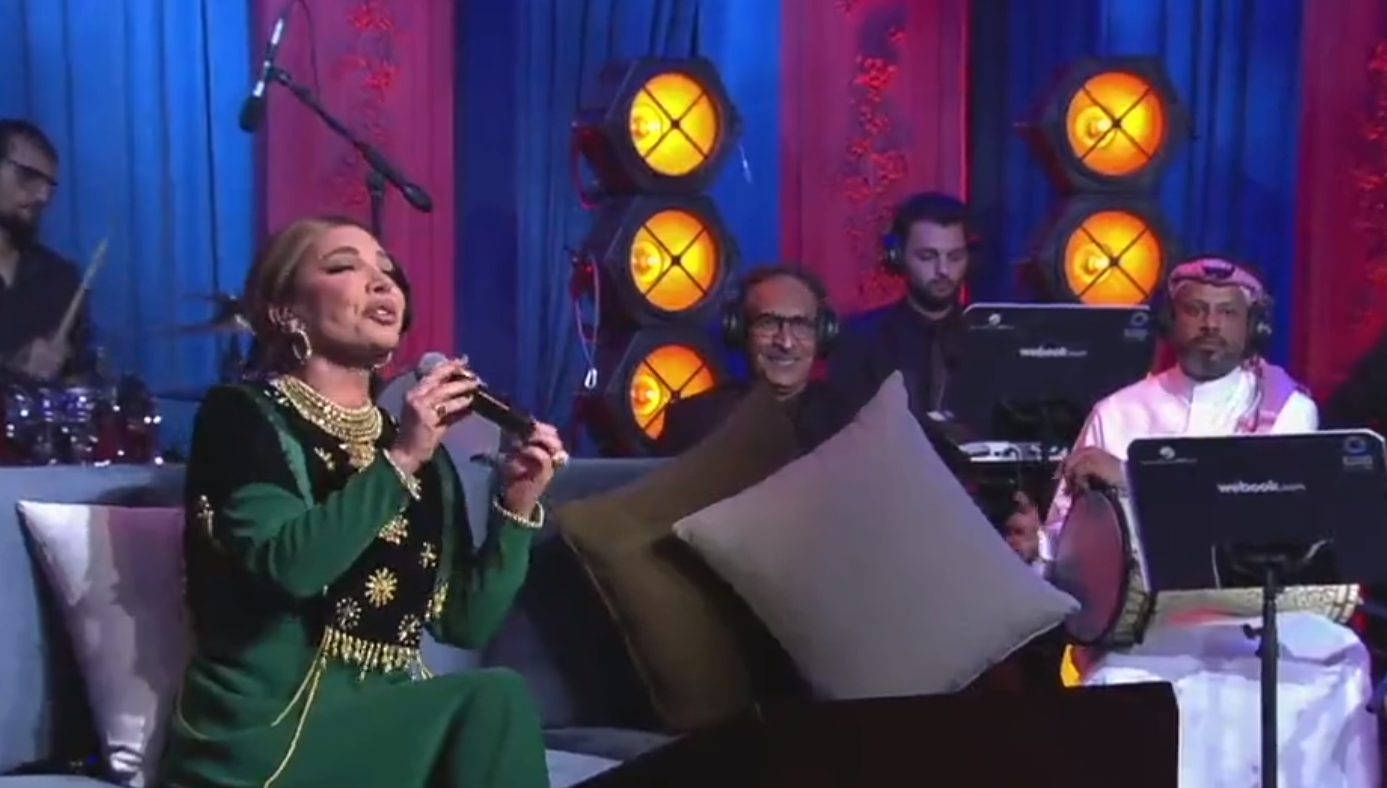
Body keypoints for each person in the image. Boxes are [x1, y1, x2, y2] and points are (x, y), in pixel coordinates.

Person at [159, 215, 565, 788]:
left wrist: (517, 508)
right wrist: (402, 459)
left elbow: (464, 623)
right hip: (268, 731)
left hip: (383, 720)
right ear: (285, 311)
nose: (381, 283)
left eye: (388, 272)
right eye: (344, 267)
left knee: (493, 707)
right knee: (494, 700)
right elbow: (289, 568)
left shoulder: (418, 450)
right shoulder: (243, 416)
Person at [1038, 257, 1377, 788]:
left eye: (1227, 312)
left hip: (1260, 614)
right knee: (1119, 679)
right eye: (1196, 310)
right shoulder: (1116, 412)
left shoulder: (1286, 409)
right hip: (1149, 625)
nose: (1211, 324)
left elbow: (1254, 518)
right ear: (1171, 319)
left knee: (1340, 658)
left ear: (1253, 326)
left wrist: (1130, 478)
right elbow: (1066, 536)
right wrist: (1035, 550)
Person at [653, 265, 841, 456]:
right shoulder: (693, 420)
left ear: (823, 334)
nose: (786, 343)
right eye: (768, 324)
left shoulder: (850, 420)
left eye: (801, 326)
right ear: (740, 330)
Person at [824, 192, 971, 427]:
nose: (943, 270)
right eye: (927, 256)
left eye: (955, 257)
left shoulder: (988, 338)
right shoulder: (860, 339)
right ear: (897, 255)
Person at [0, 119, 93, 381]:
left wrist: (72, 369)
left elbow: (83, 380)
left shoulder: (60, 278)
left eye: (49, 186)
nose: (42, 197)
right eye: (27, 177)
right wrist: (10, 366)